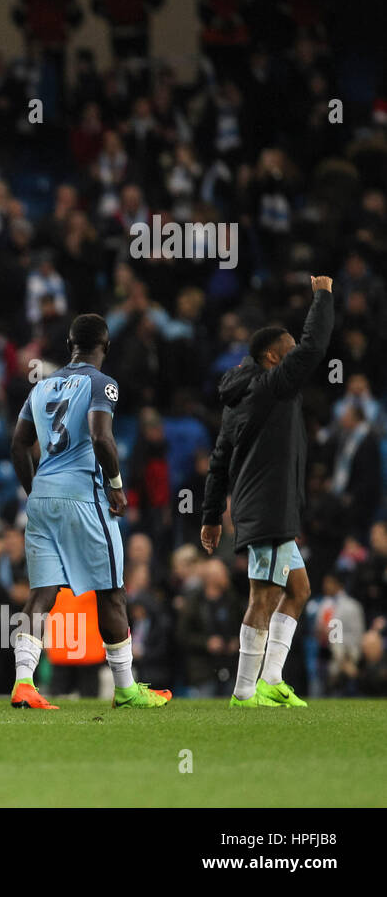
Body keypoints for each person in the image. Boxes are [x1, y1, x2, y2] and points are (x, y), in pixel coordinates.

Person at [9, 313, 171, 710]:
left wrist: (36, 491)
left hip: (43, 498)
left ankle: (23, 683)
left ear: (69, 345)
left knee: (42, 594)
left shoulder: (42, 385)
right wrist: (116, 487)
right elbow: (102, 437)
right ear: (106, 346)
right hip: (83, 497)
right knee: (112, 592)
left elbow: (18, 445)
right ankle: (126, 689)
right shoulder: (103, 384)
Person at [201, 277, 334, 707]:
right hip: (271, 508)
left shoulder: (237, 403)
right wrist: (323, 296)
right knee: (265, 595)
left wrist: (208, 518)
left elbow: (218, 463)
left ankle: (271, 679)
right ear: (273, 357)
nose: (297, 352)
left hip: (263, 509)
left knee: (297, 591)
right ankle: (244, 691)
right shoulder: (273, 386)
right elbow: (315, 348)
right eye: (289, 347)